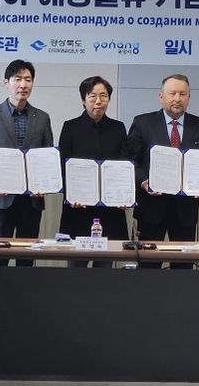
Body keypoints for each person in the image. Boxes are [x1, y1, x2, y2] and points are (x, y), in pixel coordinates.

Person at [126, 74, 199, 269]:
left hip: (185, 211)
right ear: (161, 97)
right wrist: (143, 181)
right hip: (151, 209)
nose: (177, 98)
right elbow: (131, 161)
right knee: (148, 267)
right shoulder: (142, 123)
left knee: (182, 268)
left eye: (182, 94)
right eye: (172, 93)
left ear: (189, 97)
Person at [0, 59, 53, 266]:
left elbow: (47, 158)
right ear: (6, 82)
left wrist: (44, 184)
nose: (23, 85)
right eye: (17, 79)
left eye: (28, 79)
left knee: (27, 259)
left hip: (31, 201)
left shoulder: (42, 118)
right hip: (0, 199)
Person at [59, 76, 129, 268]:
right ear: (84, 99)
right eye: (92, 96)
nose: (98, 101)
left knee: (104, 270)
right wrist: (72, 194)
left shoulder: (118, 128)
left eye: (103, 96)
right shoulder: (70, 127)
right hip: (78, 209)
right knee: (76, 269)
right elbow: (62, 166)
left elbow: (124, 166)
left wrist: (124, 195)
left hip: (110, 210)